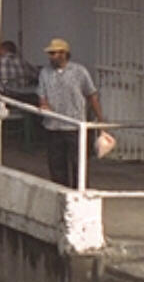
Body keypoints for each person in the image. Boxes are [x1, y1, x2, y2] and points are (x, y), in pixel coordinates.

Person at [36, 38, 106, 188]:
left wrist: (100, 121)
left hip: (74, 126)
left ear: (64, 54)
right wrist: (44, 105)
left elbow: (91, 95)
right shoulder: (45, 72)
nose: (51, 56)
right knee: (56, 165)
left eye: (54, 53)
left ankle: (79, 192)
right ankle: (61, 191)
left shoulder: (79, 72)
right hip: (53, 126)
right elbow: (42, 95)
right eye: (50, 53)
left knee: (78, 164)